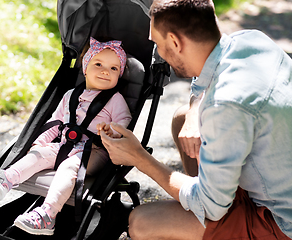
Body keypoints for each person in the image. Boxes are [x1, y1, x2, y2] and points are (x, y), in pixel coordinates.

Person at [99, 0, 292, 239]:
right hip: (278, 178)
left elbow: (213, 207)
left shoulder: (225, 106)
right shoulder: (251, 40)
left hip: (280, 221)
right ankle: (197, 208)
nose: (158, 52)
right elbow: (203, 81)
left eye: (157, 43)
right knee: (183, 118)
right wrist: (193, 112)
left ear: (175, 42)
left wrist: (138, 157)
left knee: (142, 222)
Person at [0, 37, 132, 236]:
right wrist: (40, 143)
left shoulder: (115, 100)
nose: (105, 71)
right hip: (66, 146)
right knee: (40, 153)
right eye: (98, 64)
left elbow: (124, 124)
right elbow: (55, 124)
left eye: (114, 68)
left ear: (120, 74)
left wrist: (111, 131)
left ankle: (47, 215)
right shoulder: (70, 95)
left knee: (68, 166)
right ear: (85, 68)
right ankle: (6, 179)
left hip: (95, 152)